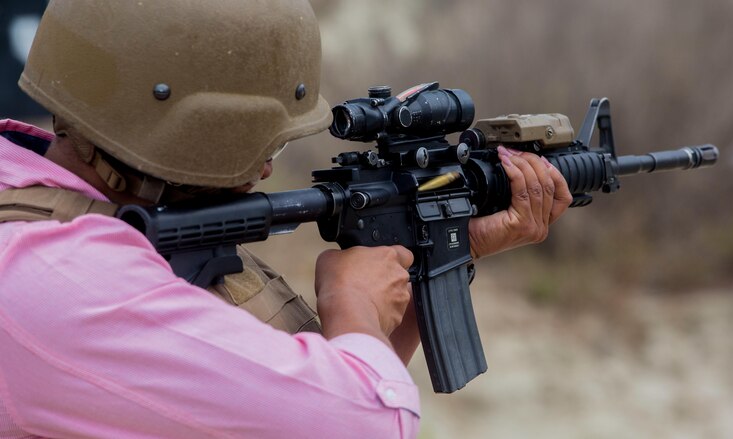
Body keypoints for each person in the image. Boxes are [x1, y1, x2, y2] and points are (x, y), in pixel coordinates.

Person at [0, 1, 573, 438]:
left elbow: (300, 399)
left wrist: (442, 251)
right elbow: (365, 422)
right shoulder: (59, 279)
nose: (269, 166)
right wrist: (353, 305)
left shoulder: (96, 214)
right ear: (179, 133)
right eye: (255, 144)